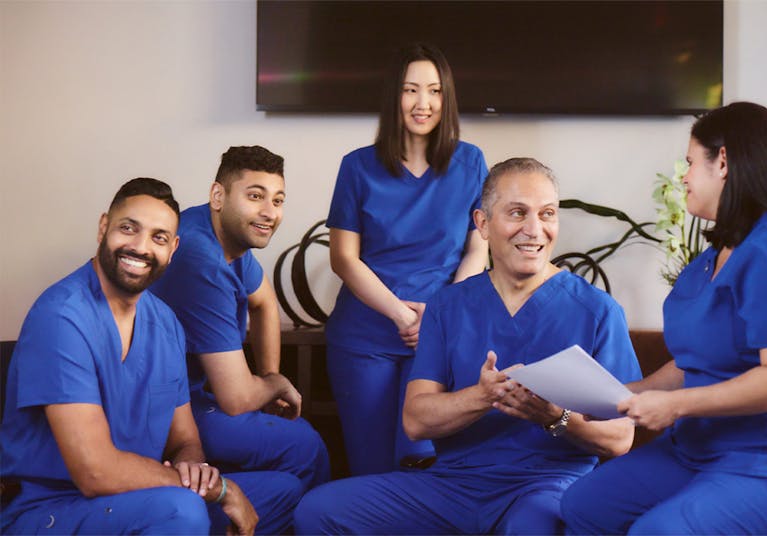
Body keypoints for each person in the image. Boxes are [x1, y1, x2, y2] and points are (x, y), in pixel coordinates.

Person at [295, 158, 642, 534]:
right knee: (319, 510)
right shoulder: (448, 306)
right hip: (452, 487)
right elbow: (415, 420)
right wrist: (483, 396)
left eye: (547, 214)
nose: (534, 229)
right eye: (517, 213)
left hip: (545, 488)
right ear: (482, 224)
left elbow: (620, 438)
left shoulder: (598, 311)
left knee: (537, 527)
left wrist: (552, 415)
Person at [560, 102, 767, 534]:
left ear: (725, 162)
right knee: (584, 505)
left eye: (691, 162)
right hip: (708, 445)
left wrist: (673, 407)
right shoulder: (708, 262)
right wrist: (617, 397)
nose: (684, 175)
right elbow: (691, 363)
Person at [0, 178, 302, 534]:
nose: (141, 247)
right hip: (52, 508)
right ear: (103, 228)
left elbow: (185, 440)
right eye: (129, 229)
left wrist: (193, 468)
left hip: (140, 498)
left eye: (158, 238)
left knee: (285, 493)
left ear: (173, 249)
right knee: (183, 509)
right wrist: (218, 490)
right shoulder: (62, 316)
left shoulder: (166, 324)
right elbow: (94, 472)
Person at [325, 42, 490, 476]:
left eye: (434, 91)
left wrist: (440, 313)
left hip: (439, 335)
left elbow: (478, 247)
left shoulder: (470, 162)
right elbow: (344, 258)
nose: (423, 103)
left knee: (422, 464)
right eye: (410, 90)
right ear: (393, 97)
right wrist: (400, 314)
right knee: (370, 468)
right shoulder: (357, 167)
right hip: (364, 338)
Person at [150, 146, 330, 490]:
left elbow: (264, 301)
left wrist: (269, 374)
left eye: (278, 201)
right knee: (306, 446)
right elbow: (235, 398)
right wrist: (276, 385)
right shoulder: (199, 257)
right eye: (255, 196)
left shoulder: (226, 239)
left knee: (296, 438)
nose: (269, 213)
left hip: (197, 396)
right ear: (218, 195)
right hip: (165, 408)